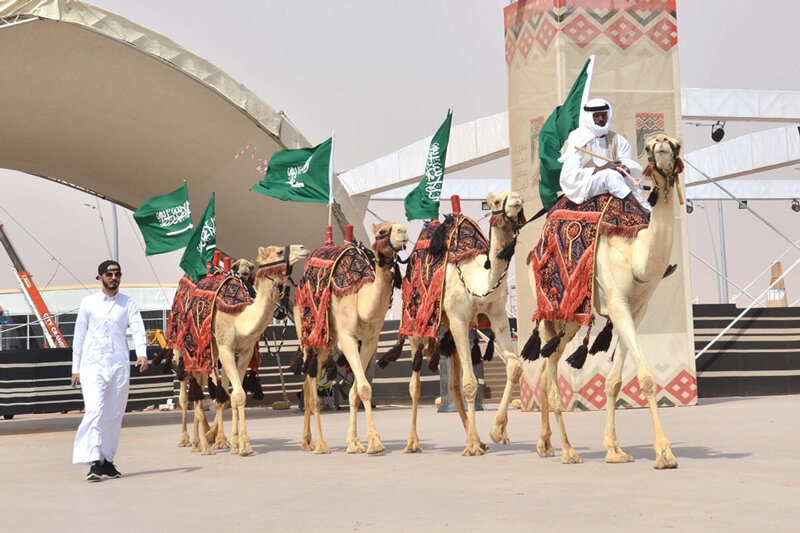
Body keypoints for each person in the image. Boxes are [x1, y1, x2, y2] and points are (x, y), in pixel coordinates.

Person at [71, 260, 148, 481]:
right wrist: (75, 368)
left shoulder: (127, 303)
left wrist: (141, 353)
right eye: (109, 274)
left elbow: (137, 328)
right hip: (92, 365)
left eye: (117, 274)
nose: (113, 277)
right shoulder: (88, 303)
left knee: (114, 414)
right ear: (100, 277)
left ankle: (107, 461)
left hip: (119, 365)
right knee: (95, 410)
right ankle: (94, 459)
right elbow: (79, 337)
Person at [558, 98, 649, 209]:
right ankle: (641, 209)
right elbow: (571, 173)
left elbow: (627, 160)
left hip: (617, 183)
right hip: (586, 185)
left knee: (648, 207)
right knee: (609, 175)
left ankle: (647, 212)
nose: (601, 119)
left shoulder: (618, 139)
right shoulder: (577, 139)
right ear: (589, 117)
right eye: (596, 116)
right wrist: (602, 169)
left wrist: (626, 168)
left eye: (603, 115)